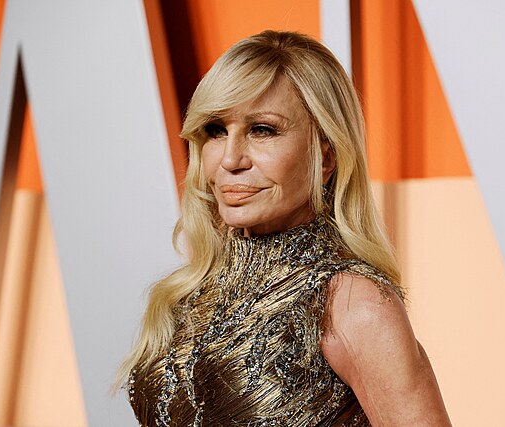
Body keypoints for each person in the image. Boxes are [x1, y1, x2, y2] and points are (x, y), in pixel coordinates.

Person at [119, 30, 451, 426]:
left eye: (262, 130)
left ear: (326, 155)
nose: (230, 160)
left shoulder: (351, 304)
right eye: (216, 130)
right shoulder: (192, 290)